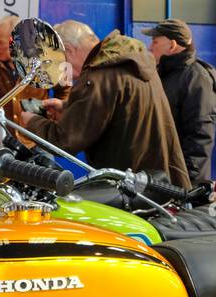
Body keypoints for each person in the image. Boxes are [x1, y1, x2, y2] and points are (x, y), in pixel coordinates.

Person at [17, 19, 190, 188]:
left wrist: (31, 121)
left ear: (69, 50)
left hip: (134, 187)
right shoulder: (128, 61)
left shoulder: (99, 75)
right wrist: (68, 106)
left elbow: (66, 141)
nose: (62, 70)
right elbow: (119, 105)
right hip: (161, 179)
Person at [144, 18, 216, 184]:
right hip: (159, 177)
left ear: (172, 45)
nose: (150, 47)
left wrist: (188, 184)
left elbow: (200, 137)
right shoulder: (160, 74)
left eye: (155, 41)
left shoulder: (198, 79)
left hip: (182, 182)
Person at [0, 14, 50, 145]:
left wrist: (55, 120)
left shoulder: (41, 60)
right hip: (2, 144)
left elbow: (63, 89)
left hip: (38, 142)